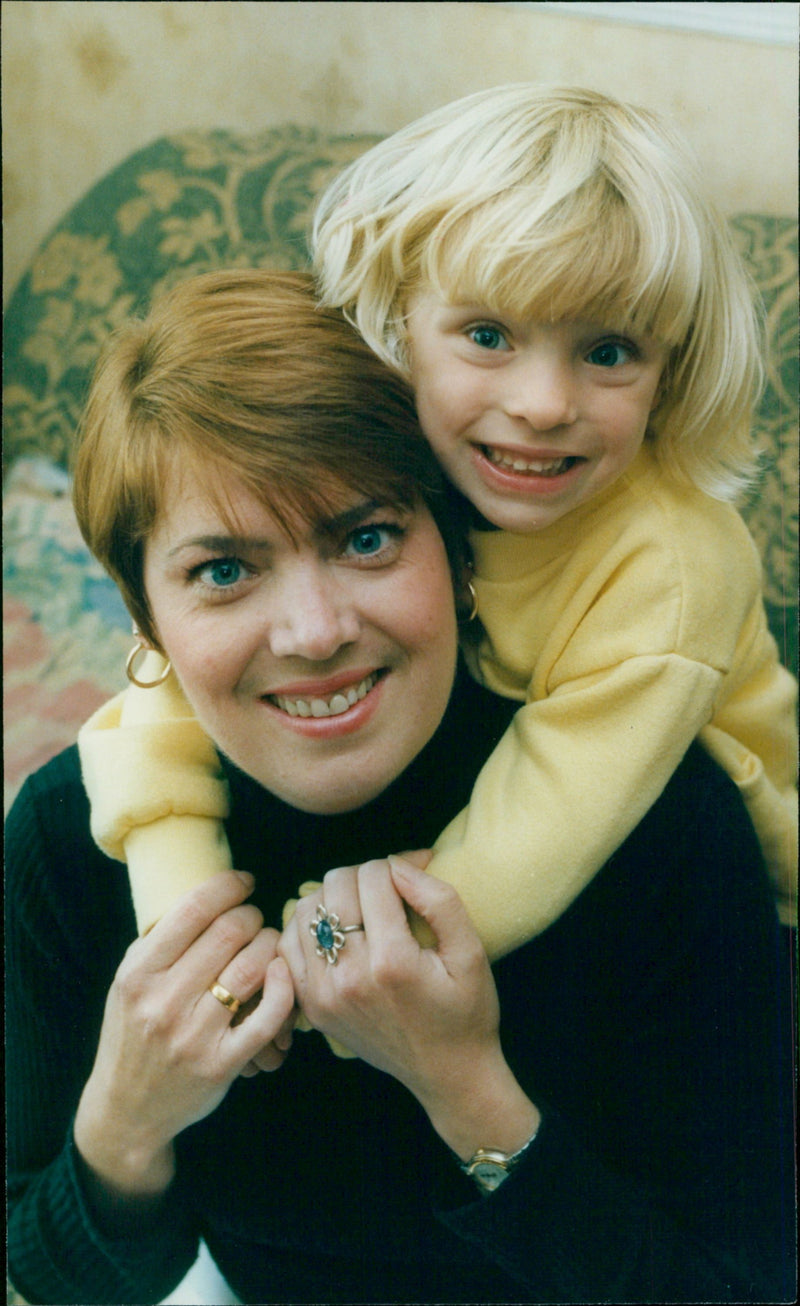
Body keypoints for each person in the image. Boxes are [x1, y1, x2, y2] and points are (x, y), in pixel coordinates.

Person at [6, 270, 793, 1305]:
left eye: (366, 538)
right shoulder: (71, 837)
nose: (314, 632)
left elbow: (745, 1283)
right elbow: (56, 1277)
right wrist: (126, 1121)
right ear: (147, 619)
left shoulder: (660, 821)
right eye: (223, 572)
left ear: (459, 552)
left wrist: (466, 1090)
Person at [77, 84, 796, 963]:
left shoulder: (673, 568)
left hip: (702, 879)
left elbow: (530, 843)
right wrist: (181, 919)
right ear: (397, 320)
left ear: (672, 372)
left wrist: (338, 970)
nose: (542, 405)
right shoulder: (437, 447)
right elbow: (175, 670)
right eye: (488, 336)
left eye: (609, 352)